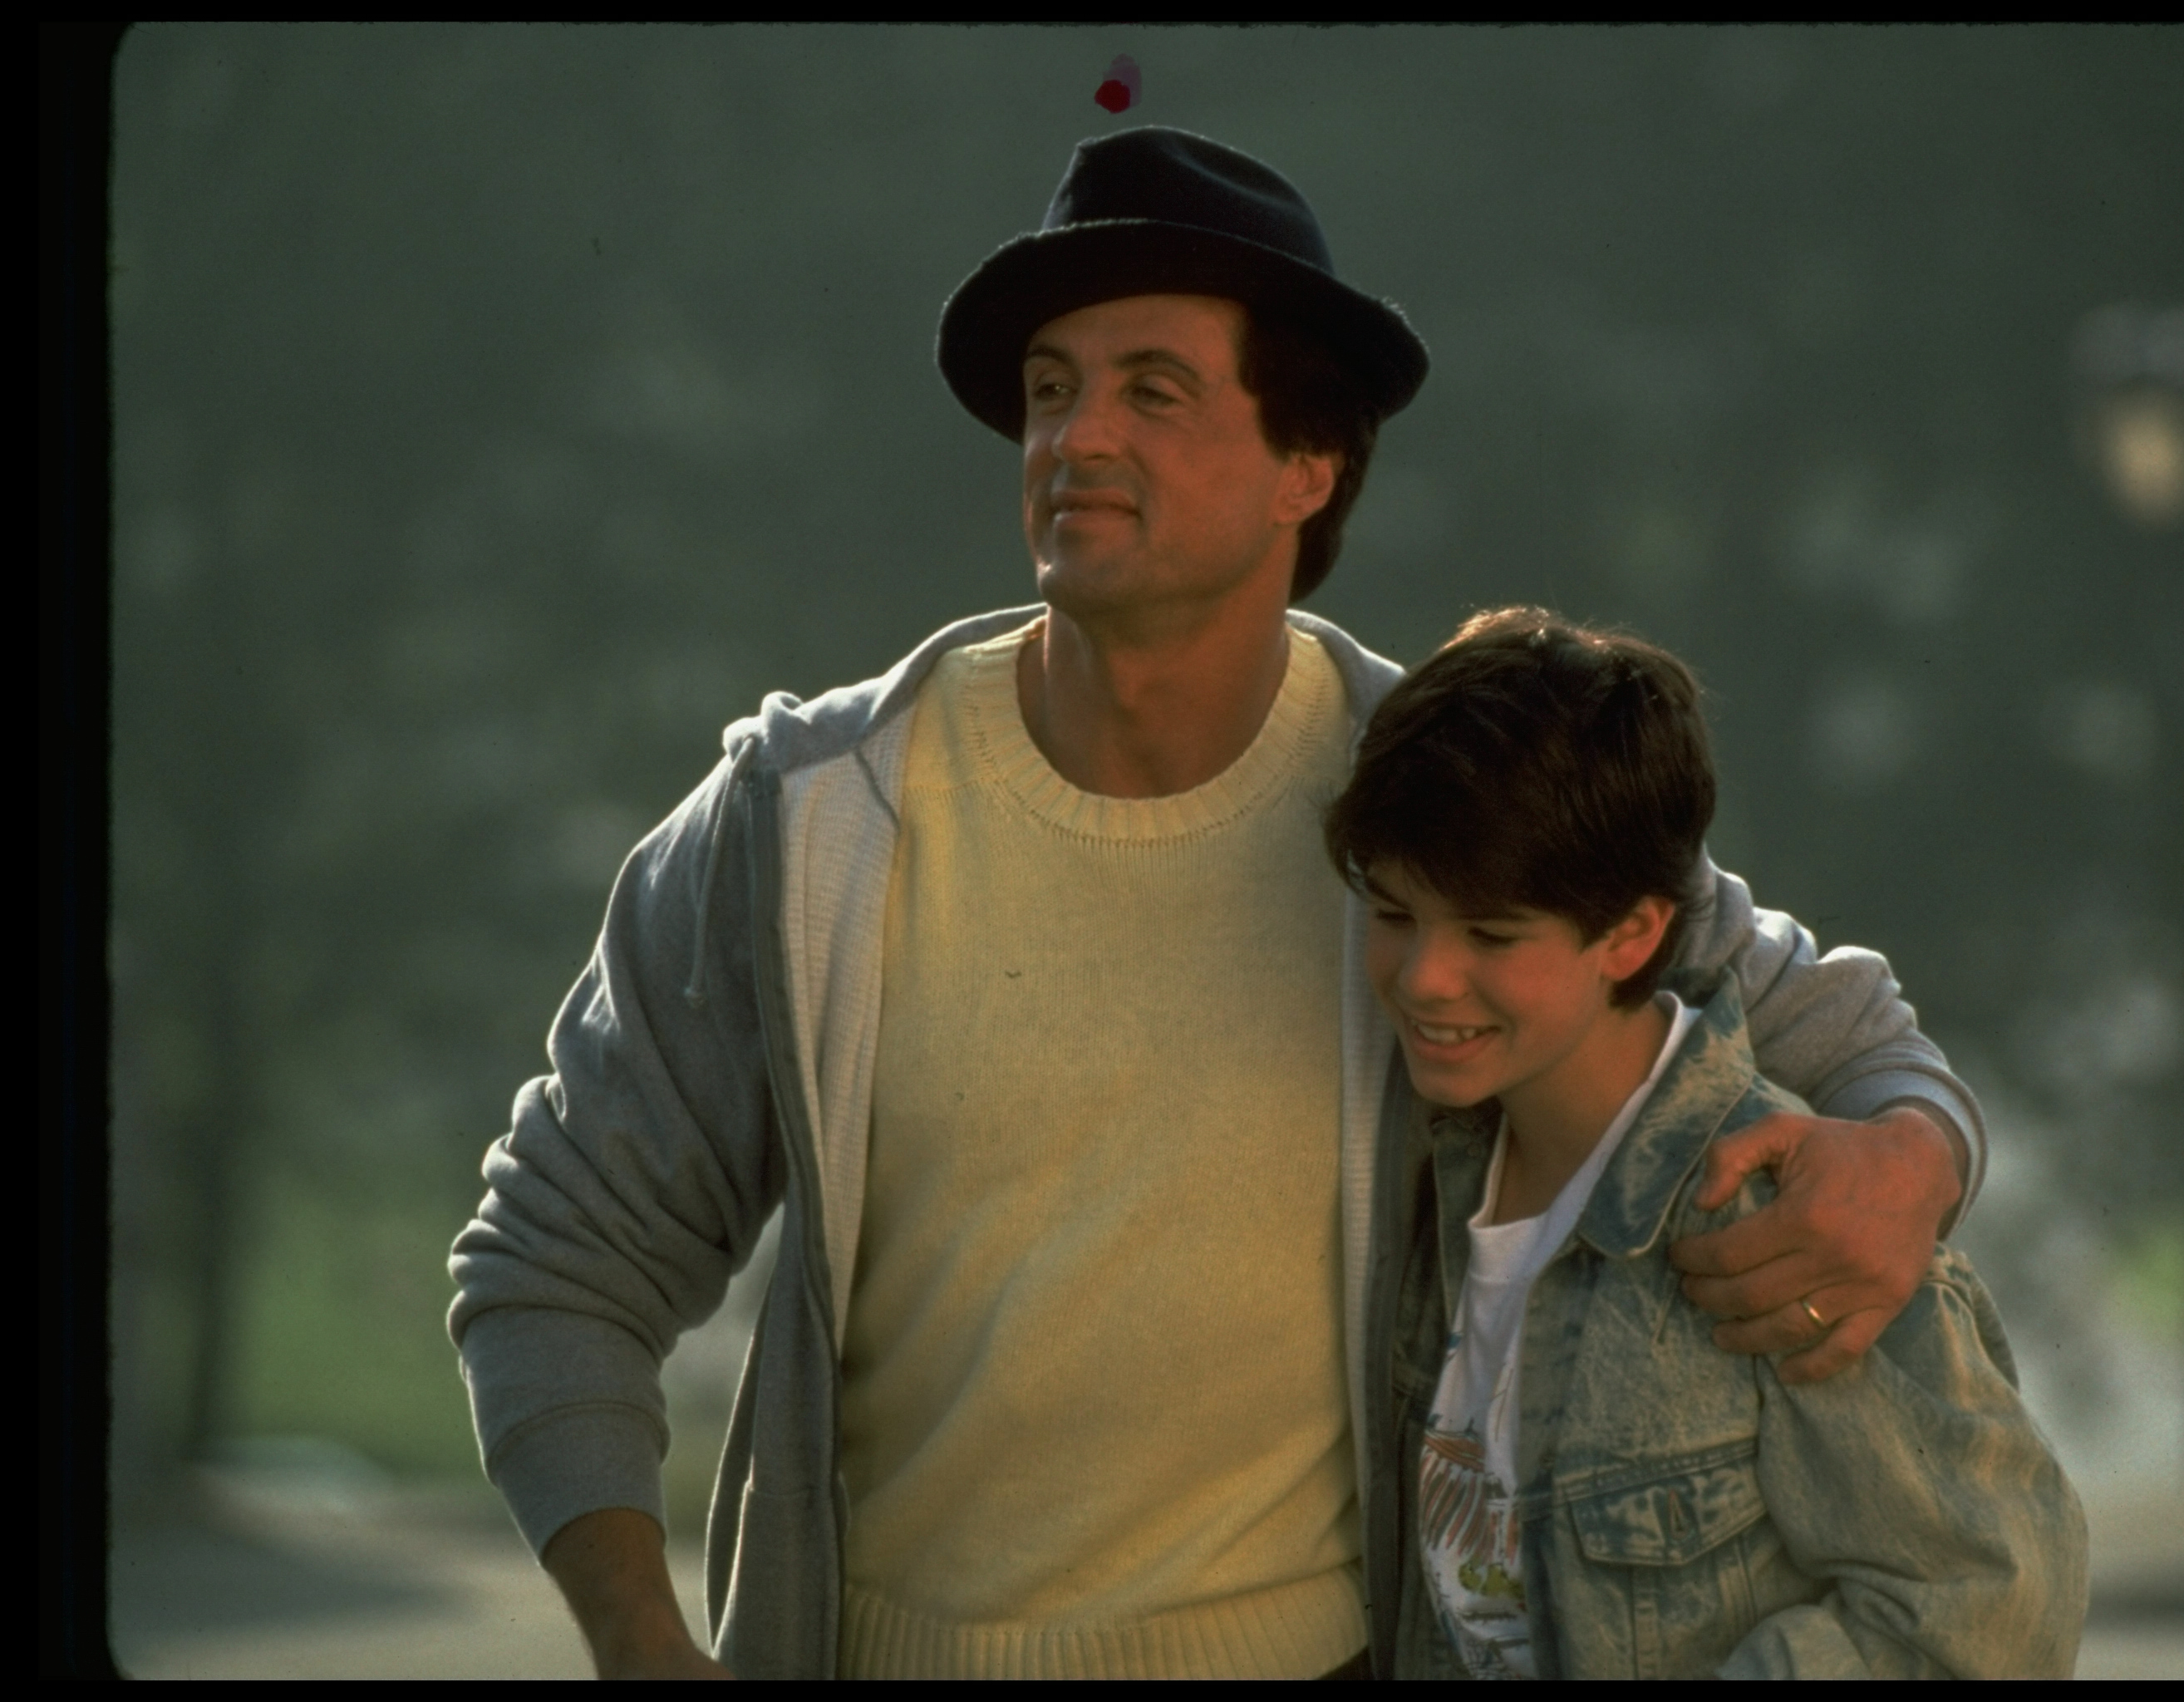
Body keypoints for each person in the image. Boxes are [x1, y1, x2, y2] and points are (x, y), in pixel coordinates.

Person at [447, 125, 1985, 1680]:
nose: (1075, 437)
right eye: (1051, 389)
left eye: (1151, 390)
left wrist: (1914, 1159)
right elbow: (551, 1261)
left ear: (1306, 467)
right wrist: (642, 1641)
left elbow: (1840, 1028)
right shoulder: (811, 823)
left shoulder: (1442, 810)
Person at [1329, 608, 2086, 1679]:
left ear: (1635, 933)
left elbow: (1988, 1613)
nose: (1424, 979)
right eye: (1393, 914)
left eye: (1491, 935)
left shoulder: (1779, 1222)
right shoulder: (1429, 1178)